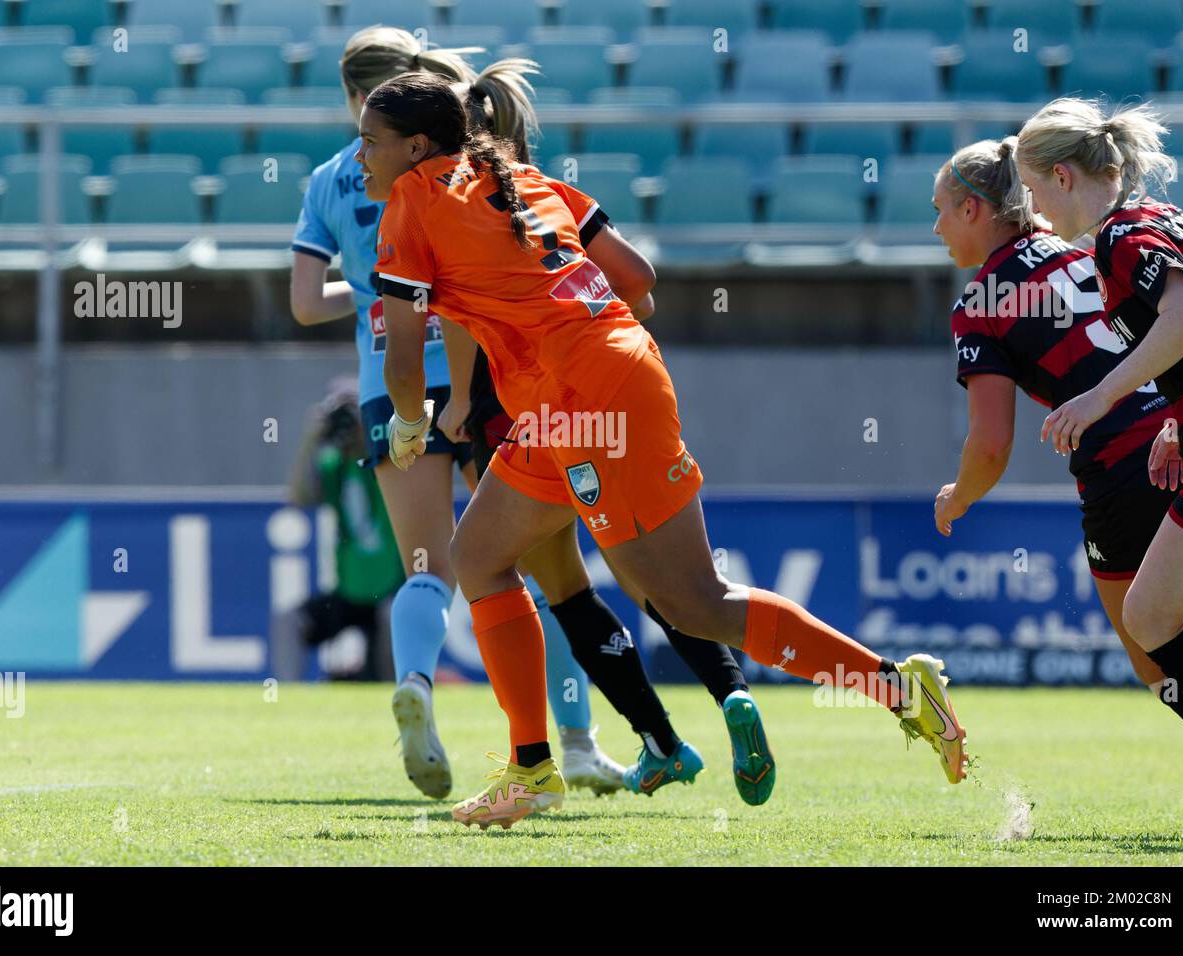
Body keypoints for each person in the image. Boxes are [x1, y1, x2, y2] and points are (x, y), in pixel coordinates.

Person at [364, 71, 967, 830]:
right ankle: (531, 769)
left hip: (583, 401)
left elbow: (403, 352)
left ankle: (897, 688)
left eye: (370, 140)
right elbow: (637, 282)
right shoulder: (520, 178)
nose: (361, 156)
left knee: (692, 604)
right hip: (587, 386)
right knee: (481, 556)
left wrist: (410, 422)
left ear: (416, 146)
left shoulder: (412, 197)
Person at [289, 26, 626, 798]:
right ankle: (573, 743)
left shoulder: (330, 178)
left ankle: (414, 683)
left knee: (425, 569)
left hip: (391, 382)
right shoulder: (472, 166)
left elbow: (307, 304)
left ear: (354, 97)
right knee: (551, 575)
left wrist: (380, 290)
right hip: (488, 377)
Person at [932, 137, 1183, 750]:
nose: (935, 228)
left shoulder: (979, 303)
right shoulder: (1085, 244)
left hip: (1121, 466)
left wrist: (959, 498)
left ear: (974, 211)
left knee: (1152, 651)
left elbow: (991, 443)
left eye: (940, 210)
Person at [1013, 99, 1183, 816]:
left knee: (1152, 615)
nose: (1033, 211)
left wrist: (1100, 397)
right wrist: (1176, 416)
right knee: (1150, 613)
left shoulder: (1121, 236)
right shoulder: (1167, 219)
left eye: (1034, 192)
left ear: (1064, 177)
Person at [272, 379, 402, 682]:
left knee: (392, 617)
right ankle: (286, 698)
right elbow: (297, 497)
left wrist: (369, 430)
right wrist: (311, 440)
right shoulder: (334, 466)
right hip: (349, 591)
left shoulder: (387, 459)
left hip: (389, 588)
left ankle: (397, 695)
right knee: (288, 621)